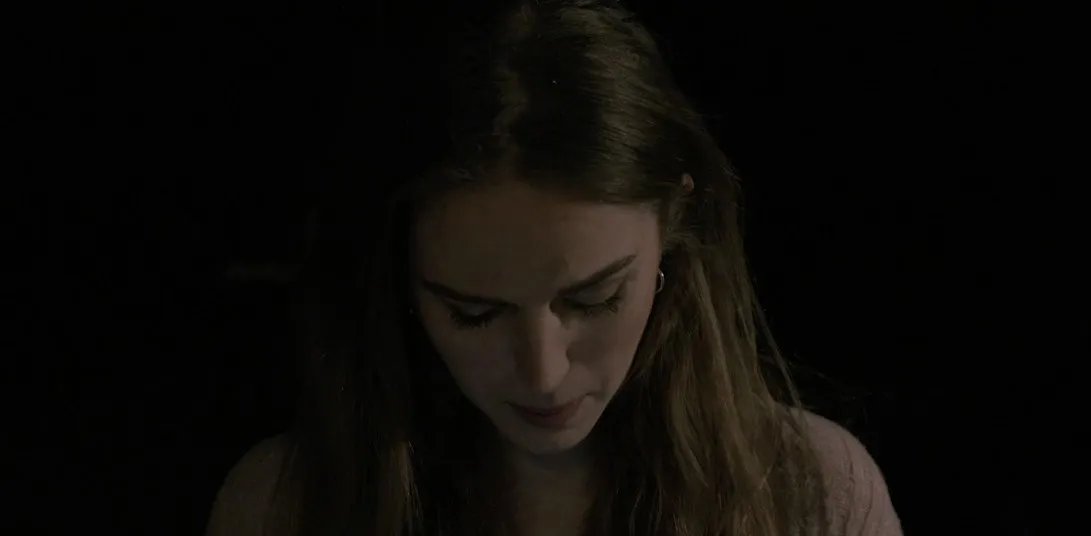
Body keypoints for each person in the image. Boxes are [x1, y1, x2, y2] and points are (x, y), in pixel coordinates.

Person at [206, 1, 901, 535]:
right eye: (473, 314)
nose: (542, 373)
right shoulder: (288, 505)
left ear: (673, 227)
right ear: (399, 279)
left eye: (596, 299)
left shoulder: (809, 494)